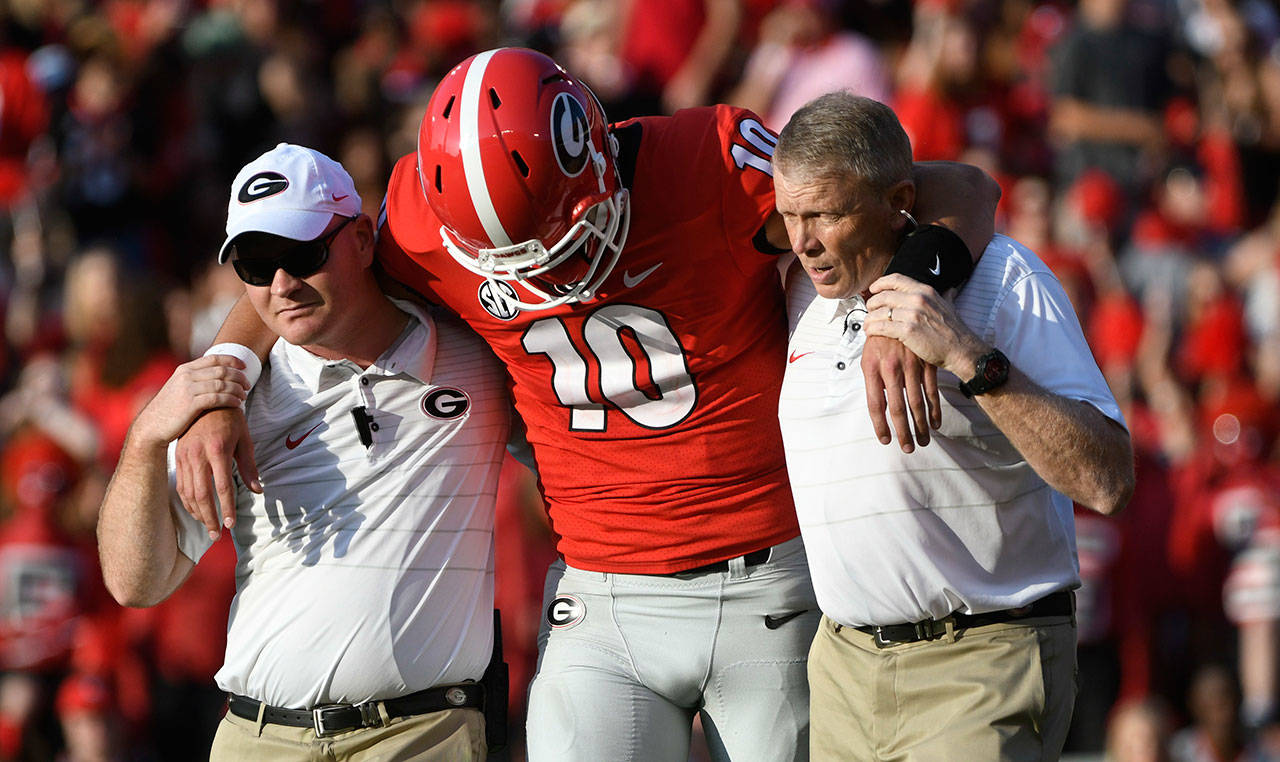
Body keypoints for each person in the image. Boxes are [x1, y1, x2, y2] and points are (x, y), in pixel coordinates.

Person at [176, 48, 999, 762]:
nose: (542, 282)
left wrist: (905, 293)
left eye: (556, 248)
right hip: (599, 592)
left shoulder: (707, 164)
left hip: (765, 578)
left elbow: (954, 185)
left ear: (598, 161)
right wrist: (224, 376)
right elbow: (287, 270)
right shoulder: (423, 219)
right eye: (511, 263)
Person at [96, 144, 512, 761]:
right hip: (257, 737)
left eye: (303, 254)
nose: (283, 285)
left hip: (422, 736)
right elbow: (135, 582)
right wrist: (146, 437)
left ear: (365, 239)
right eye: (256, 266)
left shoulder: (478, 359)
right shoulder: (231, 400)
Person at [774, 92, 1135, 760]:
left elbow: (1107, 478)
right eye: (789, 216)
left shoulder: (1004, 278)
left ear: (898, 199)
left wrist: (969, 356)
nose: (803, 242)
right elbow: (966, 182)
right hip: (841, 670)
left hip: (982, 660)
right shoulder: (796, 288)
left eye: (824, 213)